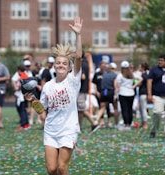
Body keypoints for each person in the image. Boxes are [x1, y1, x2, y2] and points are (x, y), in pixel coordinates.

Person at [25, 16, 83, 175]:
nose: (61, 65)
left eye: (64, 63)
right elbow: (41, 110)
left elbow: (78, 57)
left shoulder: (73, 81)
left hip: (68, 130)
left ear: (69, 67)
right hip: (50, 130)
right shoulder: (48, 86)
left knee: (61, 168)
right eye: (58, 63)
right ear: (54, 65)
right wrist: (33, 101)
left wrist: (78, 35)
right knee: (51, 170)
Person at [115, 61, 142, 130]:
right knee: (130, 109)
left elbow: (117, 85)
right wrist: (134, 86)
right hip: (131, 93)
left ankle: (126, 124)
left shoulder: (120, 75)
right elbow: (140, 79)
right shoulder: (132, 74)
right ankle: (129, 123)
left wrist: (115, 94)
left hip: (122, 93)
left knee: (124, 109)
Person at [94, 62, 119, 129]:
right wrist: (115, 95)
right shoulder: (114, 75)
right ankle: (116, 124)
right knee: (115, 108)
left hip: (104, 92)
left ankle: (96, 121)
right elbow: (115, 85)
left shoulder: (104, 75)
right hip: (111, 92)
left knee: (102, 108)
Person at [77, 53, 97, 131]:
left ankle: (94, 123)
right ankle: (79, 127)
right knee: (80, 110)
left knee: (82, 109)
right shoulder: (85, 63)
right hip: (83, 89)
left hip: (81, 89)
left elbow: (83, 77)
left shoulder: (81, 64)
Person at [138, 62, 150, 129]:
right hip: (144, 93)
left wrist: (135, 82)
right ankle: (143, 123)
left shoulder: (143, 75)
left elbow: (139, 84)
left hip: (143, 93)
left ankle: (145, 124)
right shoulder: (147, 74)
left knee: (143, 109)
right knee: (142, 109)